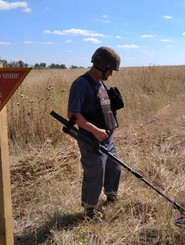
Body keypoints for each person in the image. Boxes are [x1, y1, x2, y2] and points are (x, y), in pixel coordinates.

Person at [67, 46, 122, 221]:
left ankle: (111, 196)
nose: (111, 74)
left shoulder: (101, 83)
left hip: (107, 137)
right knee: (95, 172)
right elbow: (73, 115)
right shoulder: (81, 84)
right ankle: (89, 210)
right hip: (91, 138)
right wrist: (95, 131)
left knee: (114, 167)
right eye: (110, 70)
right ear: (102, 66)